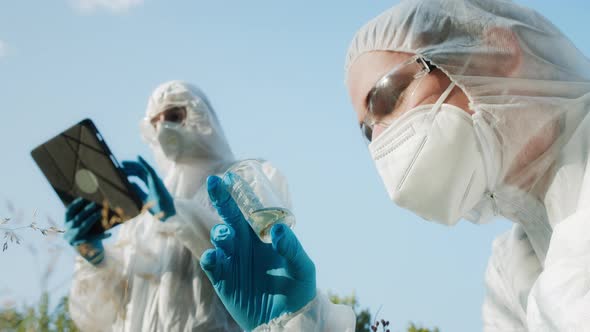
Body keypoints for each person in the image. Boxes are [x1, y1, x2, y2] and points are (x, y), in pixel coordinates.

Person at [199, 0, 590, 331]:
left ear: (499, 52)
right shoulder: (512, 274)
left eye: (387, 98)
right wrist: (303, 321)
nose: (382, 140)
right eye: (369, 133)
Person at [63, 80, 292, 331]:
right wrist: (94, 257)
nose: (163, 127)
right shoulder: (143, 217)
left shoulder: (249, 177)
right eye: (155, 121)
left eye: (173, 115)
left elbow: (264, 260)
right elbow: (107, 313)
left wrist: (176, 214)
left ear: (200, 115)